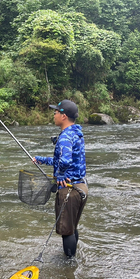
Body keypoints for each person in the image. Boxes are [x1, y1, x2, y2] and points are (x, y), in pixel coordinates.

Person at [32, 100, 88, 258]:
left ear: (63, 116)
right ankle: (73, 261)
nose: (54, 114)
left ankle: (68, 267)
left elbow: (65, 162)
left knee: (66, 231)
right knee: (72, 227)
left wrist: (62, 176)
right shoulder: (75, 133)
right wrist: (42, 160)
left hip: (70, 190)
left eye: (56, 112)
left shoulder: (65, 137)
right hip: (81, 186)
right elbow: (64, 161)